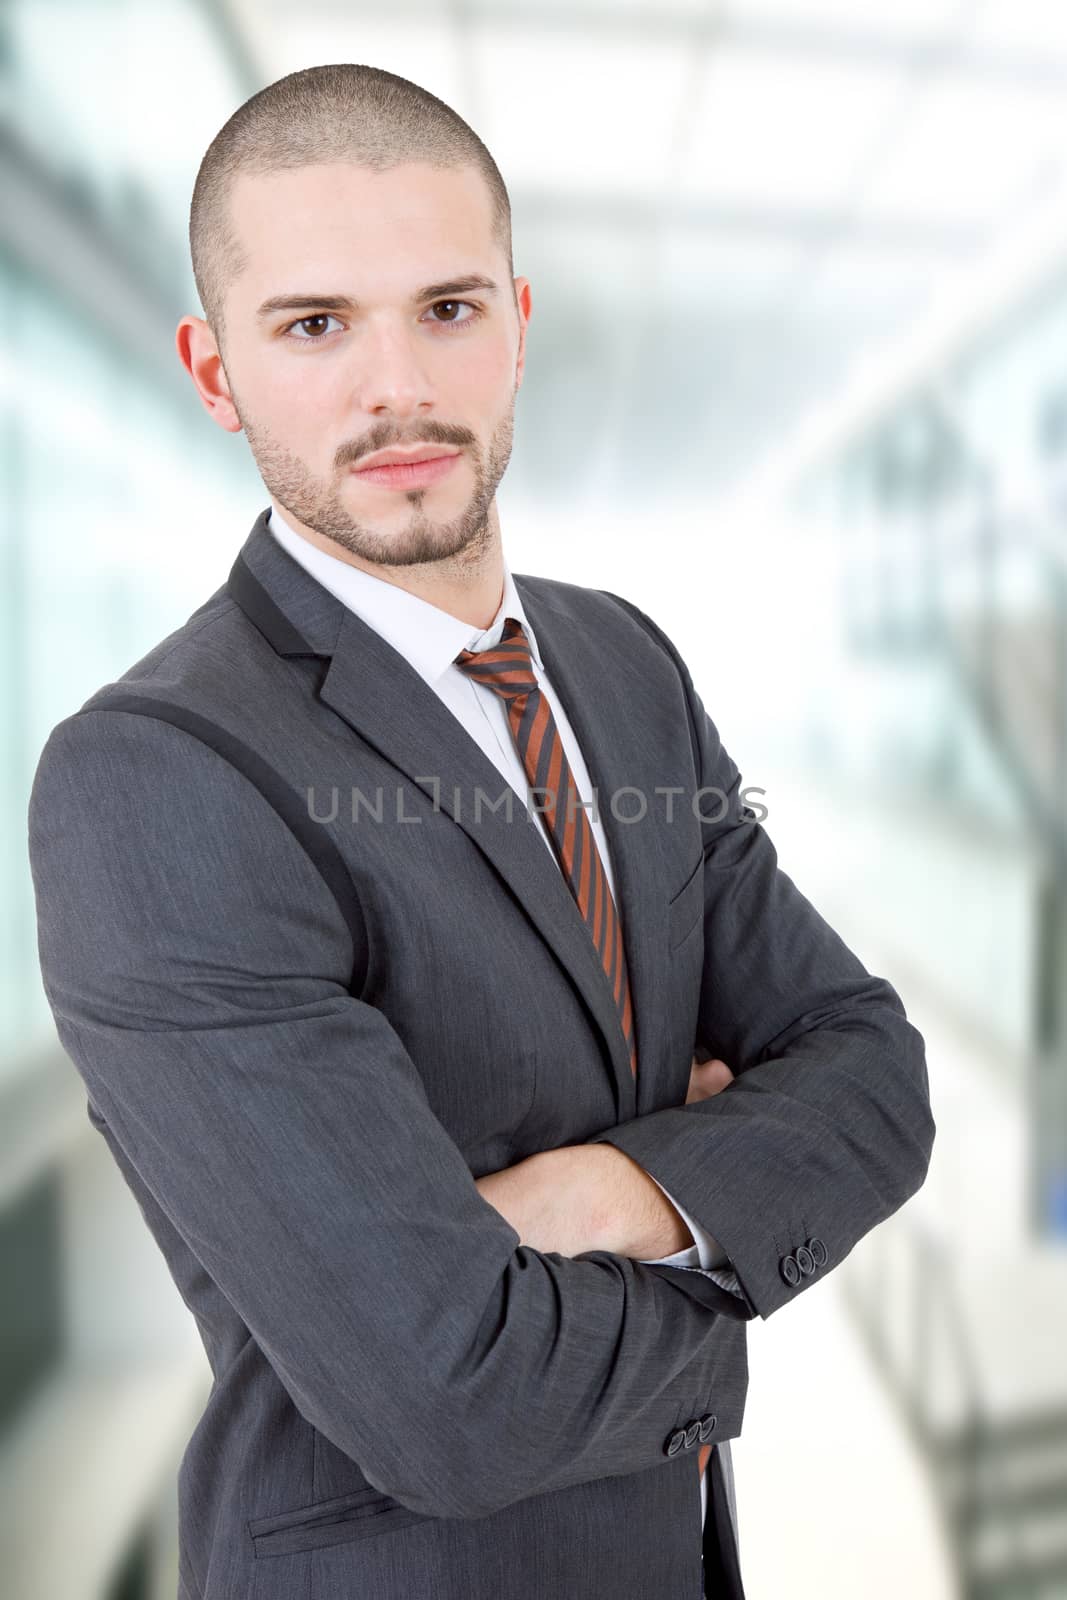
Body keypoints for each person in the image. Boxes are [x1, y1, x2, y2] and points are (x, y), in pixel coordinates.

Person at [26, 63, 936, 1600]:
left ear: (518, 326)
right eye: (315, 325)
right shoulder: (156, 778)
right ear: (212, 368)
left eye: (446, 310)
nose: (398, 390)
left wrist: (601, 1200)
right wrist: (728, 1206)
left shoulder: (620, 664)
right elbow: (451, 1397)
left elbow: (873, 1069)